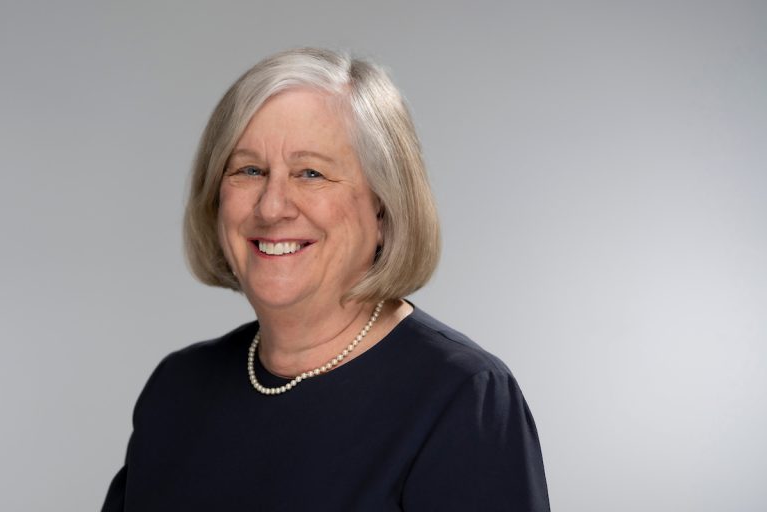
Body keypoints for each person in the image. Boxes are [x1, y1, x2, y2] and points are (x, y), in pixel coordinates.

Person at [102, 47, 550, 511]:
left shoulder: (462, 399)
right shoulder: (178, 389)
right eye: (249, 170)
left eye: (310, 173)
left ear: (382, 206)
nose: (272, 206)